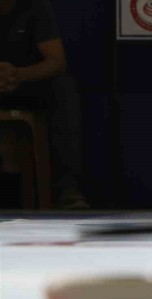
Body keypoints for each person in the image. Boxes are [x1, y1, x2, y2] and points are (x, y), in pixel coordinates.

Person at [0, 0, 89, 209]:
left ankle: (66, 190)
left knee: (63, 87)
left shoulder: (34, 5)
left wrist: (17, 75)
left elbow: (56, 61)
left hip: (22, 84)